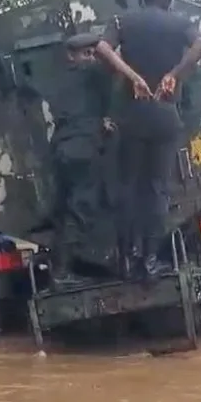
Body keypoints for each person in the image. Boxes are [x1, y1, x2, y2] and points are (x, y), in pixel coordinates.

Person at [95, 0, 201, 279]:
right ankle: (148, 260)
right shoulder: (180, 23)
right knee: (156, 189)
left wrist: (132, 76)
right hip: (165, 114)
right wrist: (174, 74)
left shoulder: (123, 20)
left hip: (131, 115)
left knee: (128, 186)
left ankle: (126, 258)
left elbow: (103, 48)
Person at [46, 33, 115, 284]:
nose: (91, 58)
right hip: (83, 151)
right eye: (86, 54)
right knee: (81, 210)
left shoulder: (59, 81)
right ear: (71, 55)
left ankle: (64, 268)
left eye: (92, 53)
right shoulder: (92, 74)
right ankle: (62, 273)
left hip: (62, 150)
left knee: (64, 212)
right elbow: (115, 69)